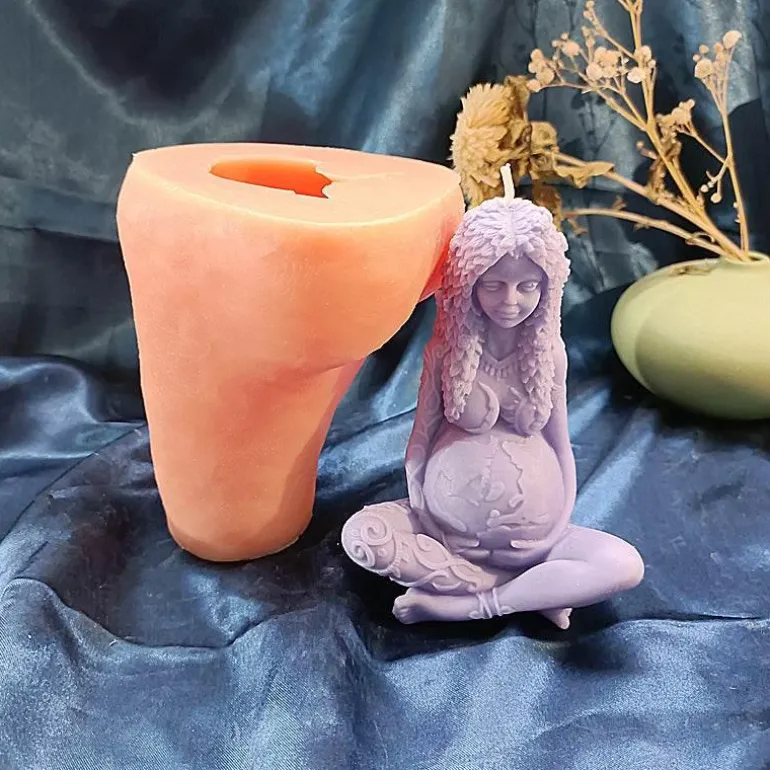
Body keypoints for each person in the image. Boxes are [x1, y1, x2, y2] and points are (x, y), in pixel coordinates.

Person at [342, 169, 644, 626]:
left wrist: (553, 532)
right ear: (468, 284)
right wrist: (432, 520)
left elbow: (561, 445)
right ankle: (531, 589)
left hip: (536, 543)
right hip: (447, 538)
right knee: (363, 535)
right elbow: (420, 444)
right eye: (493, 284)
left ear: (548, 288)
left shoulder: (549, 355)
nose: (510, 300)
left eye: (528, 286)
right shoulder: (445, 352)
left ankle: (469, 604)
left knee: (623, 565)